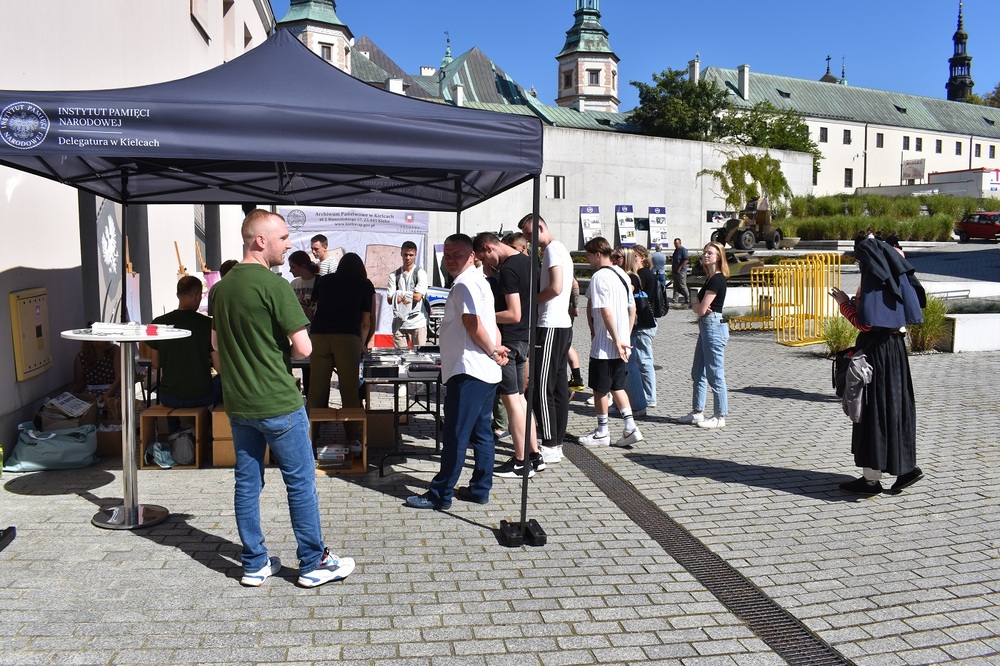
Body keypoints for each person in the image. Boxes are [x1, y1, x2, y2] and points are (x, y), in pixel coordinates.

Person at [212, 209, 354, 588]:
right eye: (284, 237)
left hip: (239, 402)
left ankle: (254, 562)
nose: (290, 244)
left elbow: (215, 346)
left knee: (247, 481)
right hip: (278, 400)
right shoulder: (275, 285)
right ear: (261, 240)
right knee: (300, 481)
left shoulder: (220, 287)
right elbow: (305, 349)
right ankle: (312, 562)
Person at [406, 233, 506, 509]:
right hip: (483, 371)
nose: (451, 260)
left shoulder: (464, 284)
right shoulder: (481, 281)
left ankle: (441, 494)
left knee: (456, 436)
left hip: (470, 370)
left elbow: (474, 324)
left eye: (457, 254)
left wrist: (493, 350)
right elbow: (490, 323)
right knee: (482, 433)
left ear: (472, 255)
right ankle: (479, 488)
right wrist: (497, 348)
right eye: (447, 255)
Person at [829, 236, 923, 495]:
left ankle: (871, 480)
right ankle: (905, 469)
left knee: (873, 412)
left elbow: (866, 323)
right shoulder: (896, 275)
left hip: (877, 354)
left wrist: (843, 304)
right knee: (896, 408)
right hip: (896, 353)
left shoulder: (874, 278)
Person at [473, 231, 540, 478]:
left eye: (484, 259)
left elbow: (514, 313)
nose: (487, 265)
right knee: (521, 401)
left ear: (489, 248)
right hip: (524, 339)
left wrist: (482, 316)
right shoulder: (528, 261)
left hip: (510, 343)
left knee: (512, 402)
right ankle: (534, 454)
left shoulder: (510, 269)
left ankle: (521, 461)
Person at [577, 237, 644, 449]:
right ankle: (630, 426)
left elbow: (604, 310)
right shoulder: (623, 275)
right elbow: (632, 309)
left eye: (588, 255)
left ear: (598, 254)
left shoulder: (599, 277)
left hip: (605, 344)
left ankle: (602, 431)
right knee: (617, 386)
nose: (587, 260)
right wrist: (625, 336)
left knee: (599, 388)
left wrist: (615, 339)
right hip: (620, 342)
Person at [519, 213, 573, 466]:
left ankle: (551, 443)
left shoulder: (552, 250)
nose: (528, 241)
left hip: (551, 325)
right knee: (559, 386)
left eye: (529, 234)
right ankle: (555, 441)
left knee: (542, 388)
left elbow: (557, 287)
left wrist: (531, 301)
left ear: (541, 227)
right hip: (560, 325)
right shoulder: (559, 249)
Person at [308, 253, 376, 449]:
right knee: (349, 391)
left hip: (319, 336)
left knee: (316, 391)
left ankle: (311, 437)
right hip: (347, 338)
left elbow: (313, 309)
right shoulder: (364, 284)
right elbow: (365, 322)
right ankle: (351, 439)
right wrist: (362, 344)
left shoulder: (324, 280)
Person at [678, 241, 729, 429]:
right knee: (698, 371)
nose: (706, 256)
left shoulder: (717, 279)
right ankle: (697, 412)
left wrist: (698, 307)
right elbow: (698, 307)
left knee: (715, 373)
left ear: (719, 257)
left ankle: (719, 415)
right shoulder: (709, 279)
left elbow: (700, 308)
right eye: (704, 253)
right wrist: (698, 307)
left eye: (710, 253)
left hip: (713, 327)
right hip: (705, 327)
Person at [148, 275, 220, 409]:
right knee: (220, 384)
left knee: (172, 404)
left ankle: (173, 429)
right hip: (201, 395)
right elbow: (218, 366)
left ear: (177, 295)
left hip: (169, 396)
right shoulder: (208, 324)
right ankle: (208, 428)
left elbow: (156, 364)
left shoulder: (157, 323)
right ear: (198, 296)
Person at [616, 247, 648, 416]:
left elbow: (624, 299)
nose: (614, 259)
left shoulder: (631, 277)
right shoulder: (622, 275)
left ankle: (639, 404)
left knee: (630, 365)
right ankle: (621, 402)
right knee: (621, 366)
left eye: (618, 257)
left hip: (629, 327)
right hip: (620, 325)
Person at [630, 244, 659, 407]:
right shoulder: (645, 274)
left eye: (634, 256)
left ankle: (649, 396)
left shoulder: (643, 275)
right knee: (641, 360)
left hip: (644, 323)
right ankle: (645, 394)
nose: (631, 260)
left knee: (644, 360)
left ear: (641, 257)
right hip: (646, 321)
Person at [387, 240, 428, 349]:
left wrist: (399, 294)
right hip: (399, 323)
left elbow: (418, 297)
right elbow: (390, 299)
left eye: (411, 255)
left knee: (420, 358)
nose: (408, 258)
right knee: (400, 358)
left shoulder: (420, 273)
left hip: (417, 322)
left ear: (415, 255)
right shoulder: (394, 275)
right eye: (405, 254)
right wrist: (409, 295)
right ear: (401, 254)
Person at [288, 250, 319, 322]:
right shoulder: (293, 284)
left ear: (303, 266)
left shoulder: (320, 282)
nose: (290, 270)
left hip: (315, 328)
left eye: (293, 267)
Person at [671, 238, 690, 305]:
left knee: (682, 285)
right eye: (674, 243)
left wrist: (680, 267)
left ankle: (688, 299)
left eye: (677, 243)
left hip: (681, 271)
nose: (675, 245)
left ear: (680, 243)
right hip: (675, 271)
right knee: (675, 286)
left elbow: (686, 260)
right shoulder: (676, 250)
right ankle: (675, 299)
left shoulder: (683, 250)